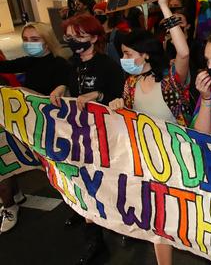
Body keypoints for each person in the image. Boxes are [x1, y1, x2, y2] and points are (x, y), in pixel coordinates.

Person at [109, 0, 191, 265]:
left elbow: (183, 53)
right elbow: (127, 120)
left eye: (128, 54)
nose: (124, 59)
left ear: (145, 54)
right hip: (149, 160)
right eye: (123, 54)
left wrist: (165, 5)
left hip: (180, 159)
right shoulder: (130, 85)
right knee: (159, 218)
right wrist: (118, 106)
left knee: (184, 215)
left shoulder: (170, 79)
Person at [49, 14, 124, 264]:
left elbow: (119, 99)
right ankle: (91, 227)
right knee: (82, 179)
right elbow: (71, 87)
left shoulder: (108, 65)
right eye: (69, 36)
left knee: (103, 182)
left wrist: (99, 94)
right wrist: (62, 88)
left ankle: (110, 226)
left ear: (94, 37)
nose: (72, 41)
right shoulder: (73, 64)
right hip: (79, 134)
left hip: (105, 135)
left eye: (78, 36)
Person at [0, 22, 71, 233]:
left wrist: (58, 88)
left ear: (47, 42)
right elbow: (5, 66)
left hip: (50, 129)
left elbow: (62, 88)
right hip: (27, 126)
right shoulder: (30, 61)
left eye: (34, 40)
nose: (29, 44)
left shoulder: (60, 64)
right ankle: (14, 198)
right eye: (26, 40)